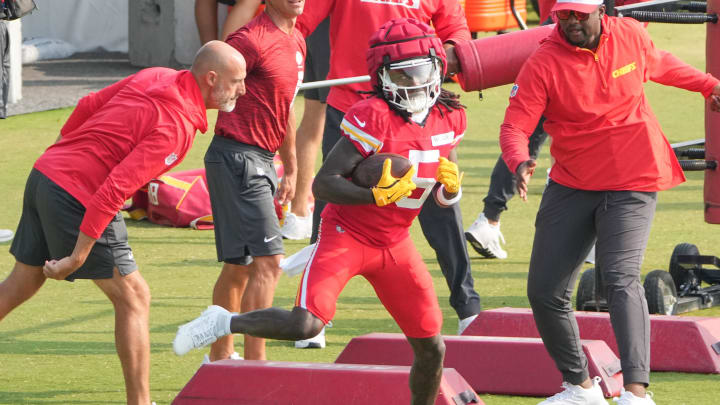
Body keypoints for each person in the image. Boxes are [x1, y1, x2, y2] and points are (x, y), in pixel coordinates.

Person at [174, 19, 468, 405]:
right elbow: (324, 184)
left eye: (422, 72)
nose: (414, 83)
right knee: (305, 324)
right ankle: (221, 322)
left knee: (432, 349)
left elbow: (437, 198)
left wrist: (450, 190)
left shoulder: (450, 116)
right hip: (348, 235)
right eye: (404, 74)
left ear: (437, 67)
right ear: (383, 77)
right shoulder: (373, 115)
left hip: (396, 243)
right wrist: (374, 197)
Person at [0, 41, 247, 405]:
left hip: (46, 175)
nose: (243, 89)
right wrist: (78, 255)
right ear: (212, 79)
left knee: (21, 283)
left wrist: (61, 154)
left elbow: (87, 106)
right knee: (134, 297)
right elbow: (114, 189)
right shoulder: (176, 128)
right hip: (77, 193)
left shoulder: (158, 75)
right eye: (237, 81)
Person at [500, 0, 720, 403]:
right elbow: (515, 124)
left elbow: (663, 63)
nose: (570, 23)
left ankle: (636, 393)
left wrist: (709, 84)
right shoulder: (543, 62)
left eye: (578, 14)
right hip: (572, 182)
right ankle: (580, 388)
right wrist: (519, 161)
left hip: (633, 177)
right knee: (544, 291)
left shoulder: (631, 34)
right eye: (562, 15)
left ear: (600, 11)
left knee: (619, 279)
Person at [293, 0, 483, 335]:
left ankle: (467, 306)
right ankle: (313, 311)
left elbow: (456, 32)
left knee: (442, 208)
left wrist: (448, 54)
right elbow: (300, 20)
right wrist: (280, 55)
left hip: (416, 106)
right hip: (352, 102)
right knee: (331, 209)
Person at [203, 0, 305, 363]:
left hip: (260, 160)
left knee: (239, 267)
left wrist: (290, 168)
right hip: (237, 158)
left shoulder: (297, 40)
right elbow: (202, 80)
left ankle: (219, 358)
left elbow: (285, 105)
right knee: (268, 264)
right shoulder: (249, 40)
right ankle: (255, 365)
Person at [280, 16, 330, 242]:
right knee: (340, 118)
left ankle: (300, 212)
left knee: (315, 118)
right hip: (329, 25)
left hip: (311, 24)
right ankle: (303, 213)